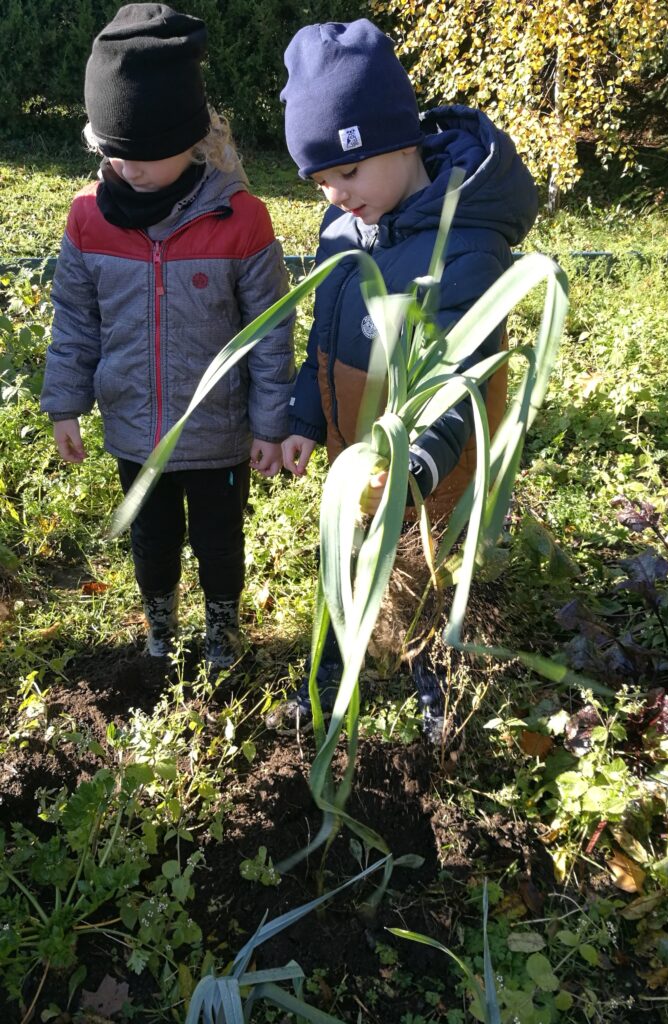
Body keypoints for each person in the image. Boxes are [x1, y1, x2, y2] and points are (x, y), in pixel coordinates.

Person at [269, 18, 538, 736]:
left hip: (432, 472)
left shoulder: (467, 246)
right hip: (351, 457)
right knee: (342, 561)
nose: (334, 194)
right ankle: (329, 666)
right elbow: (322, 338)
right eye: (319, 180)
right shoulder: (344, 231)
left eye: (347, 171)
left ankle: (433, 684)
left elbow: (465, 373)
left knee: (421, 579)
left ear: (400, 140)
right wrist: (303, 418)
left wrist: (420, 462)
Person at [40, 3, 295, 670]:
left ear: (192, 137)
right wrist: (64, 401)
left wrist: (270, 425)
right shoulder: (88, 220)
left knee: (219, 540)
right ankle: (160, 630)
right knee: (152, 541)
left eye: (146, 155)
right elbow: (74, 317)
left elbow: (269, 333)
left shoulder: (240, 221)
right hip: (133, 431)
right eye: (114, 154)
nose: (129, 170)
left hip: (217, 435)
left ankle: (221, 631)